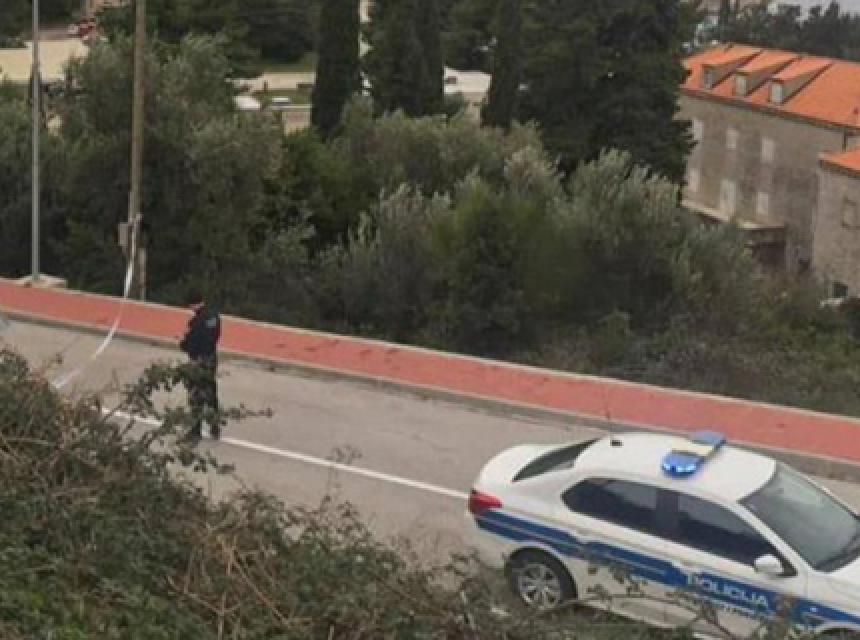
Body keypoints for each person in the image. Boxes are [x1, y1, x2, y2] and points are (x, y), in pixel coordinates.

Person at [179, 289, 222, 443]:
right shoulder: (214, 317)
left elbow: (189, 344)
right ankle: (215, 426)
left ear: (192, 305)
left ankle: (195, 430)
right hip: (211, 358)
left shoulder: (196, 322)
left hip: (198, 361)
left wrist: (183, 344)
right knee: (210, 392)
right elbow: (215, 336)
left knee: (195, 395)